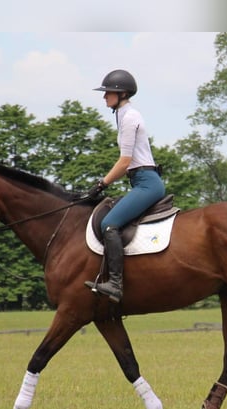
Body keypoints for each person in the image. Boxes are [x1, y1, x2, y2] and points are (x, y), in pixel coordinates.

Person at [84, 69, 166, 303]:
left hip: (146, 183)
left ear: (121, 93)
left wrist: (101, 184)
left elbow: (125, 161)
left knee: (109, 223)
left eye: (108, 92)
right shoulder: (122, 115)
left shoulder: (130, 118)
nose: (104, 97)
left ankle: (116, 284)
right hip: (139, 181)